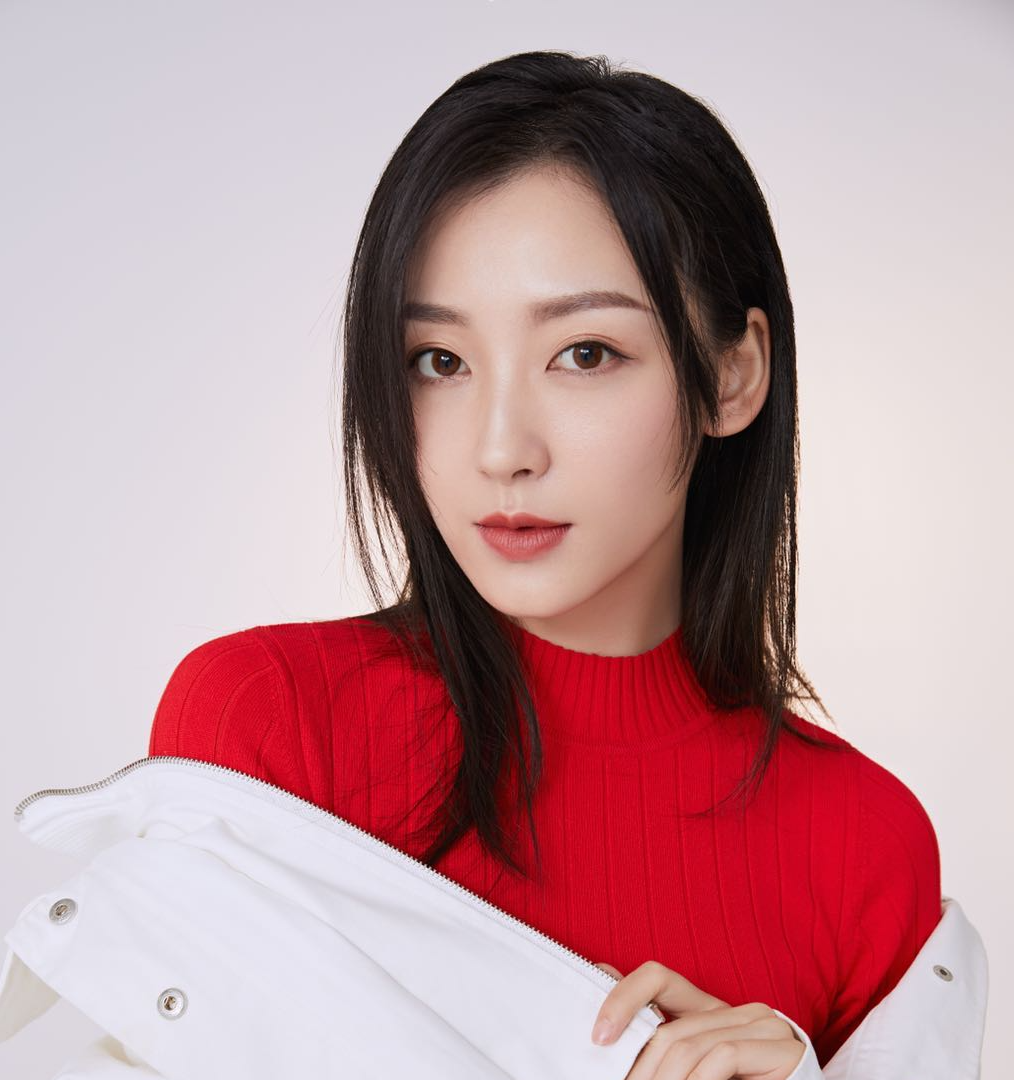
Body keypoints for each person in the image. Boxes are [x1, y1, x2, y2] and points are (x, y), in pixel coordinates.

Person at [148, 50, 942, 1075]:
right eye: (440, 362)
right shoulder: (267, 725)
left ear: (732, 375)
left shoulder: (866, 849)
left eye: (585, 354)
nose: (501, 449)